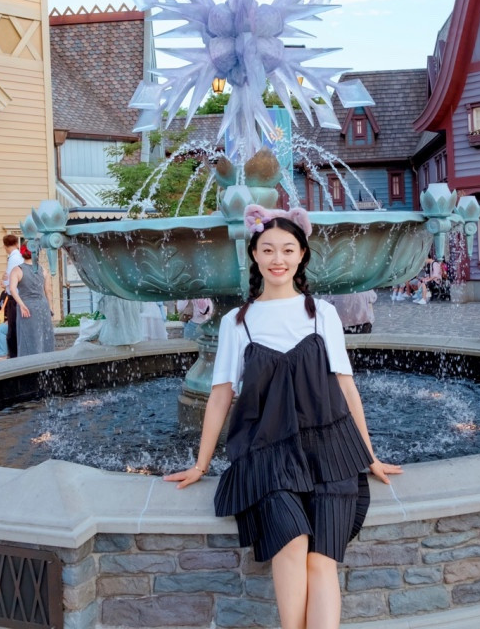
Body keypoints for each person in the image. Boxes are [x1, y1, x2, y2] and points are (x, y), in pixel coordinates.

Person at [165, 204, 401, 629]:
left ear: (302, 255)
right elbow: (220, 396)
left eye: (288, 249)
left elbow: (346, 387)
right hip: (267, 453)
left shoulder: (321, 313)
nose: (279, 259)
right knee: (291, 543)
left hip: (330, 450)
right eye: (269, 249)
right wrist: (201, 464)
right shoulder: (237, 322)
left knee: (321, 560)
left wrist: (369, 455)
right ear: (254, 255)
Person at [9, 244, 54, 357]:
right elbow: (48, 290)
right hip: (43, 305)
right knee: (45, 335)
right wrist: (50, 308)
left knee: (28, 336)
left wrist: (21, 305)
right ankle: (47, 361)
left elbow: (12, 289)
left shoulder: (17, 270)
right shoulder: (43, 270)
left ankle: (29, 362)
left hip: (27, 306)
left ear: (22, 253)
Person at [2, 234, 24, 359]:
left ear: (5, 246)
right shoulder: (18, 257)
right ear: (16, 243)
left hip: (14, 297)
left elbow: (9, 279)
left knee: (13, 328)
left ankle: (14, 355)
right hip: (20, 295)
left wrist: (4, 282)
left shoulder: (13, 258)